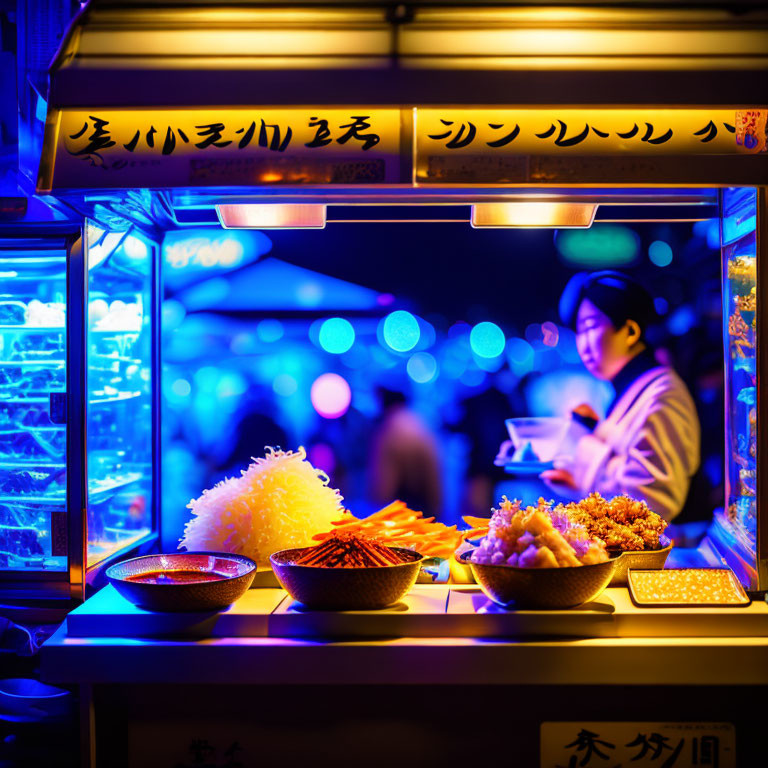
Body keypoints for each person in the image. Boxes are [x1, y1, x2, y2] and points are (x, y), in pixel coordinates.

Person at [540, 271, 700, 521]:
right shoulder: (637, 389)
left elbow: (654, 503)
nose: (583, 344)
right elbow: (625, 460)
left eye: (590, 326)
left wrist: (587, 448)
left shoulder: (663, 395)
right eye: (579, 333)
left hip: (668, 552)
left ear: (630, 332)